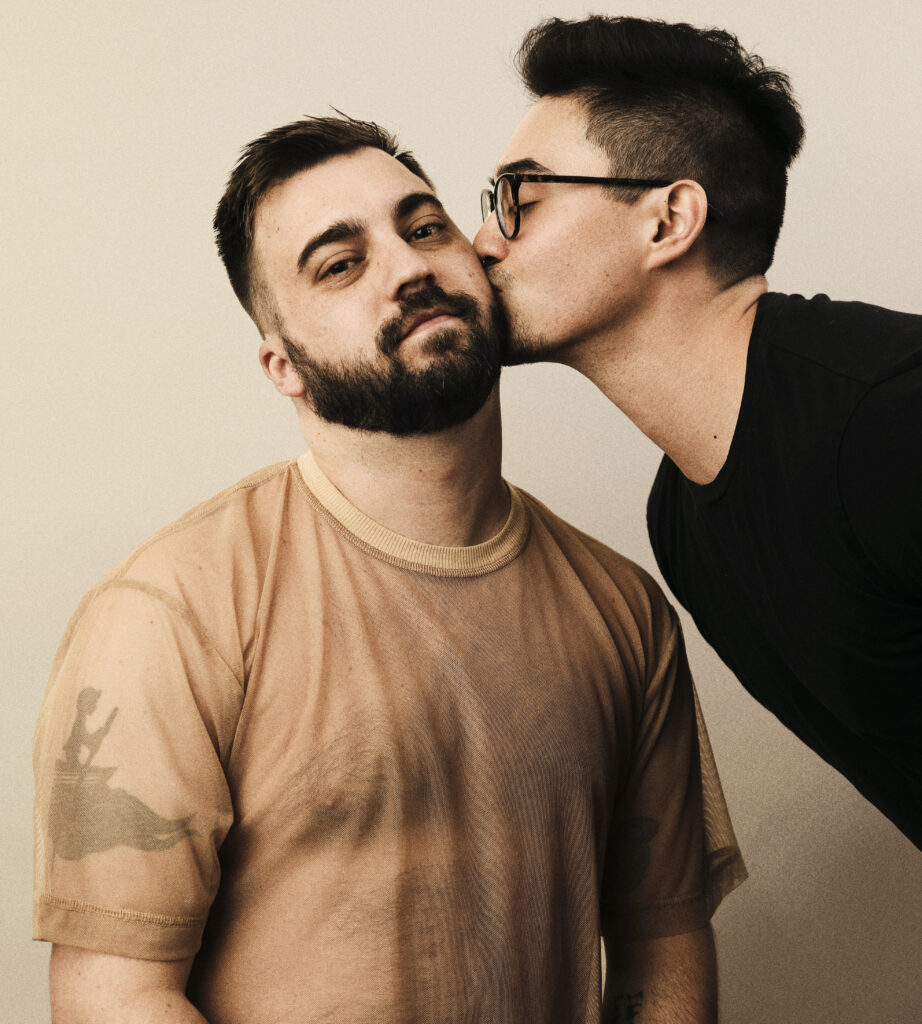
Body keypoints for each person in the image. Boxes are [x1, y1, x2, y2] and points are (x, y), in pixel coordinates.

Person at [33, 114, 745, 1023]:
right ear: (283, 366)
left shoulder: (623, 609)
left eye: (425, 228)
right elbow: (112, 997)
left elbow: (663, 955)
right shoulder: (170, 610)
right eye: (341, 263)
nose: (409, 268)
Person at [474, 15, 922, 849]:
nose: (482, 245)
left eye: (519, 200)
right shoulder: (681, 523)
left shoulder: (890, 419)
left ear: (668, 220)